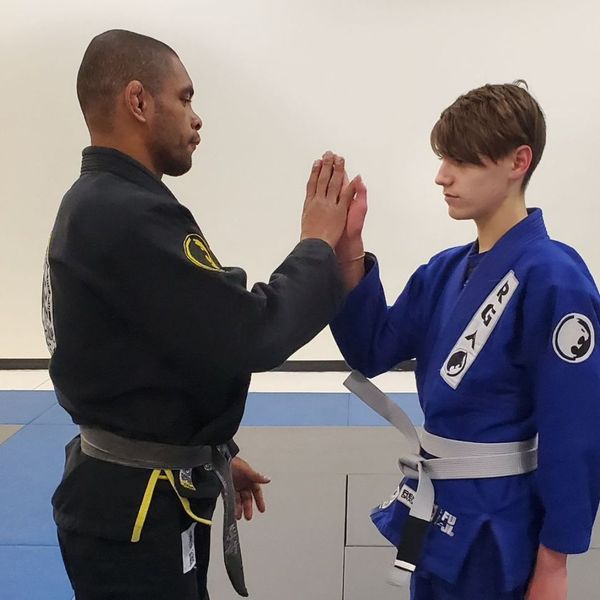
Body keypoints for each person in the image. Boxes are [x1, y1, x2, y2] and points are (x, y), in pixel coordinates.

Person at [42, 29, 359, 600]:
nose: (196, 118)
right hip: (133, 513)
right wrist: (316, 245)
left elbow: (166, 348)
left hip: (140, 490)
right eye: (185, 98)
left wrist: (205, 448)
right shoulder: (125, 214)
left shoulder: (99, 205)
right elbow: (248, 332)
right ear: (138, 102)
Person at [331, 81, 600, 599]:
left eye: (462, 161)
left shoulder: (555, 277)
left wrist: (555, 561)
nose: (442, 176)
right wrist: (348, 250)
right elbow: (370, 350)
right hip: (434, 508)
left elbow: (577, 428)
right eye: (442, 159)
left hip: (500, 521)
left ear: (518, 161)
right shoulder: (443, 272)